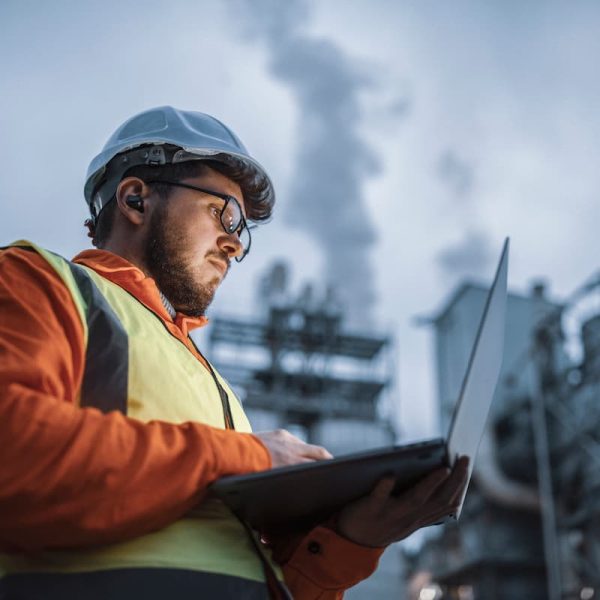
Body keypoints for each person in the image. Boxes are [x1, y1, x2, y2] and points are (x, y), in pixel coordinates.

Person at [0, 106, 468, 599]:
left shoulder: (213, 385)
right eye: (223, 213)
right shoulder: (39, 282)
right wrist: (249, 456)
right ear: (136, 199)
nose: (234, 245)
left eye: (242, 230)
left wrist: (352, 540)